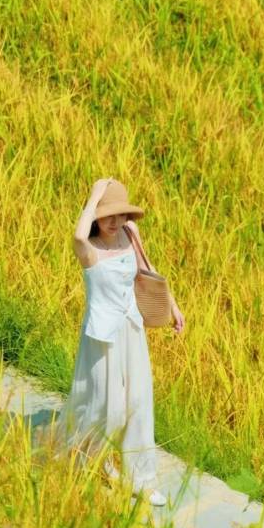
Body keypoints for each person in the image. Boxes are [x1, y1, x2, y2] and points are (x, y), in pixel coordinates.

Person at [51, 177, 184, 508]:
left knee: (139, 403)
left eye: (120, 214)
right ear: (96, 214)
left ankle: (141, 480)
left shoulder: (129, 233)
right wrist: (95, 195)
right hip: (102, 337)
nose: (115, 222)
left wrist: (173, 305)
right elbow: (78, 234)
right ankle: (84, 460)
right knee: (106, 410)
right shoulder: (89, 249)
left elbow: (147, 269)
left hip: (132, 330)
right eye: (107, 215)